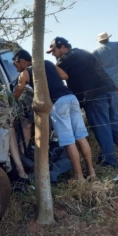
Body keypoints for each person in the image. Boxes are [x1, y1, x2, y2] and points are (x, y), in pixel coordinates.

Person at [13, 49, 96, 181]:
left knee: (68, 141)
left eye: (16, 65)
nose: (16, 68)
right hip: (70, 97)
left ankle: (79, 178)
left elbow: (18, 92)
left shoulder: (25, 73)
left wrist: (11, 100)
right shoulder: (47, 62)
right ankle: (91, 172)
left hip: (58, 102)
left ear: (22, 61)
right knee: (81, 137)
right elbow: (64, 76)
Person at [46, 37, 118, 180]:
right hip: (110, 89)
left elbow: (59, 77)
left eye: (54, 50)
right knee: (115, 123)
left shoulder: (64, 61)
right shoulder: (84, 52)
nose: (53, 54)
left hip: (94, 95)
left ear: (62, 47)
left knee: (101, 127)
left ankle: (109, 162)